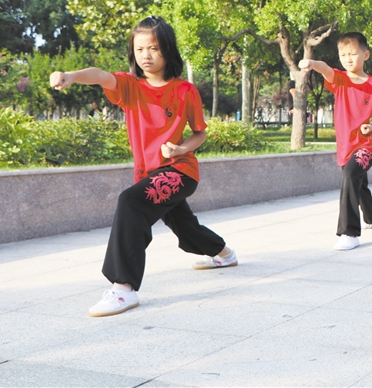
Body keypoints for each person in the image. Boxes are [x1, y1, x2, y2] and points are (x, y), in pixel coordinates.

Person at [49, 16, 236, 318]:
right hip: (149, 174)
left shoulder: (185, 90)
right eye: (139, 49)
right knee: (184, 225)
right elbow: (100, 75)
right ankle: (224, 254)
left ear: (167, 50)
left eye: (153, 48)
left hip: (180, 172)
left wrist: (181, 149)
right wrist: (69, 75)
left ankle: (123, 288)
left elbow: (199, 133)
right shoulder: (129, 86)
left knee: (131, 202)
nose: (146, 55)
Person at [299, 32, 372, 251]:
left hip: (367, 145)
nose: (348, 59)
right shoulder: (340, 80)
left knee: (351, 174)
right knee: (357, 181)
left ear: (366, 55)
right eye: (343, 55)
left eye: (353, 54)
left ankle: (349, 233)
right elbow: (326, 69)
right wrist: (312, 63)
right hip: (345, 146)